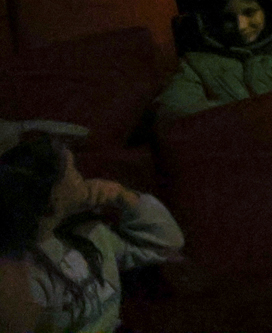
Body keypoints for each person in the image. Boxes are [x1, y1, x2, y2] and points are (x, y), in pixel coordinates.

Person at [0, 126, 184, 333]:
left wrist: (124, 197)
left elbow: (166, 244)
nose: (84, 179)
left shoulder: (90, 232)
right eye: (75, 173)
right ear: (54, 201)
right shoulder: (23, 272)